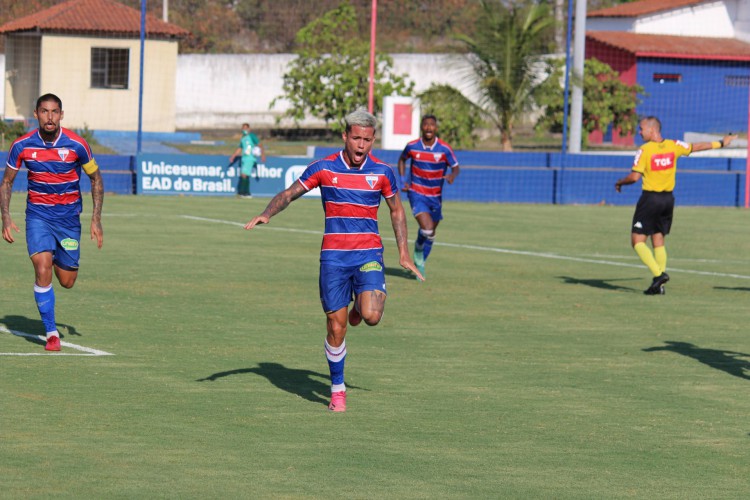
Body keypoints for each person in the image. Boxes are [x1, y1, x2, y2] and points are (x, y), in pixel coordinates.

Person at [244, 109, 424, 412]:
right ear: (345, 136)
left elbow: (396, 210)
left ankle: (359, 305)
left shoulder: (382, 172)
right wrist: (267, 213)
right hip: (334, 258)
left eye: (367, 140)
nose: (361, 145)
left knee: (371, 316)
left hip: (368, 254)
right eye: (356, 138)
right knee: (336, 328)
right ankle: (337, 389)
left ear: (373, 140)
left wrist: (403, 252)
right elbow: (290, 193)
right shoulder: (324, 168)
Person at [1, 93, 104, 351]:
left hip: (68, 220)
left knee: (67, 280)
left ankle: (58, 252)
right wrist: (5, 217)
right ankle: (51, 333)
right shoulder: (22, 145)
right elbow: (7, 182)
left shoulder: (77, 145)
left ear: (61, 115)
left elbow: (96, 178)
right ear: (36, 114)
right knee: (42, 266)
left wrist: (96, 218)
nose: (50, 117)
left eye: (54, 112)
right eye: (44, 111)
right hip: (38, 216)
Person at [615, 116, 735, 295]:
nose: (639, 132)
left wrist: (620, 182)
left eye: (641, 129)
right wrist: (721, 143)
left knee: (637, 241)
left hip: (650, 199)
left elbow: (634, 177)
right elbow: (696, 147)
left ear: (652, 129)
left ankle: (658, 275)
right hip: (667, 200)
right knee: (658, 239)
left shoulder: (645, 150)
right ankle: (659, 287)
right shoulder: (674, 145)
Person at [397, 114, 459, 278]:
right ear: (421, 127)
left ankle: (420, 261)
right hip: (417, 193)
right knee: (427, 228)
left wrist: (452, 176)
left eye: (432, 125)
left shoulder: (444, 149)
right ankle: (419, 252)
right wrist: (403, 181)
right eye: (426, 125)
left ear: (436, 128)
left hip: (435, 197)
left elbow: (456, 166)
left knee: (430, 234)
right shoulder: (412, 146)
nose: (429, 127)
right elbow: (402, 160)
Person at [229, 123, 265, 198]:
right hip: (244, 158)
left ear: (249, 129)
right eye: (243, 128)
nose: (244, 130)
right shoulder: (243, 138)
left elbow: (260, 145)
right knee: (244, 175)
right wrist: (233, 156)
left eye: (246, 128)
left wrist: (262, 155)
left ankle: (245, 193)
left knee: (244, 175)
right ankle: (244, 193)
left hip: (250, 158)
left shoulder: (251, 136)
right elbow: (240, 148)